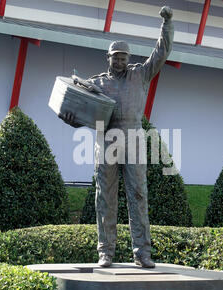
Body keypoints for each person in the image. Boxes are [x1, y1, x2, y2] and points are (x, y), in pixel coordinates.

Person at [61, 6, 174, 268]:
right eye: (115, 57)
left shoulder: (140, 74)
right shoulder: (96, 83)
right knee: (105, 197)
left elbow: (162, 52)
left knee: (138, 195)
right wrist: (72, 121)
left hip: (134, 138)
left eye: (123, 58)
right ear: (108, 58)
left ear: (129, 58)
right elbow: (82, 113)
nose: (120, 62)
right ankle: (106, 252)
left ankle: (142, 253)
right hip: (107, 140)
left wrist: (166, 25)